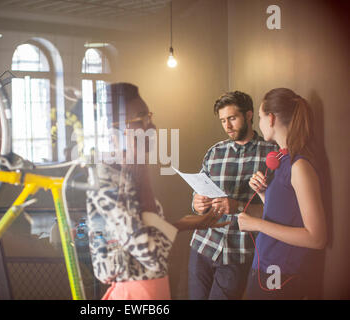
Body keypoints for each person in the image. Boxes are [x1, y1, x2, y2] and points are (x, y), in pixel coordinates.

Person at [85, 83, 229, 300]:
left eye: (149, 116)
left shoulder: (128, 172)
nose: (151, 126)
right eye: (141, 118)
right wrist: (141, 170)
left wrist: (186, 223)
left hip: (155, 291)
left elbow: (146, 235)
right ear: (115, 130)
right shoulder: (106, 181)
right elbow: (152, 254)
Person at [237, 88, 327, 299]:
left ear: (271, 119)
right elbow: (286, 213)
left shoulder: (300, 166)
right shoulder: (283, 160)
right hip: (264, 267)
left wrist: (256, 224)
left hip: (281, 276)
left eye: (259, 117)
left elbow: (317, 238)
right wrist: (262, 193)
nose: (257, 123)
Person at [188, 91, 277, 300]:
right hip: (202, 245)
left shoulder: (271, 154)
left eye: (232, 118)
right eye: (222, 121)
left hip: (238, 252)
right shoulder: (214, 152)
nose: (227, 126)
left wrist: (237, 206)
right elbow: (197, 192)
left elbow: (276, 210)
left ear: (248, 115)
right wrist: (197, 202)